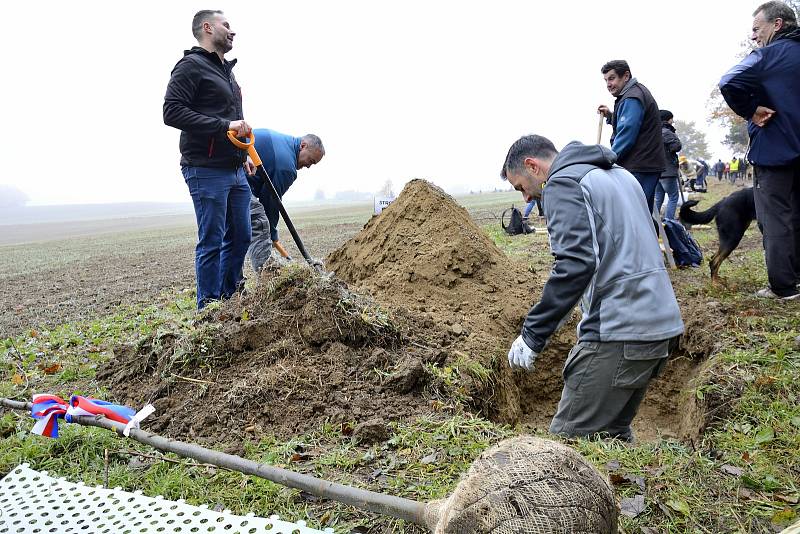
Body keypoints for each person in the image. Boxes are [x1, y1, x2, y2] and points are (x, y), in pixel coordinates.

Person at [501, 135, 684, 442]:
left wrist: (533, 334)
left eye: (521, 187)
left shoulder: (562, 183)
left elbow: (575, 264)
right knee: (609, 437)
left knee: (568, 447)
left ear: (533, 166)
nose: (526, 199)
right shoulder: (621, 175)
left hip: (620, 330)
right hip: (661, 325)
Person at [164, 10, 252, 309]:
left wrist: (243, 154)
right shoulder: (190, 67)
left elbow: (231, 118)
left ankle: (230, 299)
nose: (232, 30)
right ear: (207, 27)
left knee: (241, 236)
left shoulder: (226, 71)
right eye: (226, 25)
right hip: (205, 167)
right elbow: (171, 112)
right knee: (212, 240)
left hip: (235, 167)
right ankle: (209, 309)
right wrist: (224, 126)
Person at [720, 0, 800, 300]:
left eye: (757, 29)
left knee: (775, 216)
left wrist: (751, 110)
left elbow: (728, 81)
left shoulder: (767, 56)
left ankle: (783, 287)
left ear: (777, 24)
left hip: (775, 150)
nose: (754, 36)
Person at [246, 129, 325, 272]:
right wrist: (272, 234)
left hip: (226, 176)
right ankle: (267, 278)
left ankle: (231, 287)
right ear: (303, 146)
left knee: (235, 233)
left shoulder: (285, 143)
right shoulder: (287, 167)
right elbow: (270, 201)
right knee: (260, 224)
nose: (308, 166)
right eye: (310, 161)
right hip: (234, 180)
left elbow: (271, 196)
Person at [597, 60, 666, 213]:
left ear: (626, 76)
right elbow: (632, 122)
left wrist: (606, 159)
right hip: (645, 163)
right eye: (606, 80)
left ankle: (643, 237)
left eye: (612, 78)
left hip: (640, 165)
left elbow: (626, 134)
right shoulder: (634, 94)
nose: (608, 84)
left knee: (634, 214)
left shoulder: (632, 98)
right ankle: (648, 236)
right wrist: (610, 116)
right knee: (641, 212)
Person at [654, 110, 682, 220]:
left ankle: (655, 222)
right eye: (672, 118)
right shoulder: (666, 132)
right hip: (667, 171)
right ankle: (669, 222)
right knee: (673, 197)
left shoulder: (653, 132)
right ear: (667, 119)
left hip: (656, 171)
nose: (673, 121)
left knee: (658, 198)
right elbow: (676, 146)